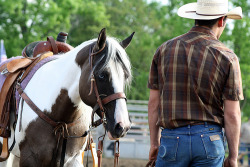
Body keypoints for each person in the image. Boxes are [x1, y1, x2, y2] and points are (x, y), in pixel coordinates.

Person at [147, 0, 244, 166]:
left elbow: (153, 104)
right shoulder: (228, 57)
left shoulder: (163, 50)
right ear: (222, 21)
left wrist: (154, 143)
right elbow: (232, 114)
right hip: (209, 141)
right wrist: (233, 156)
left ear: (196, 17)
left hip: (171, 141)